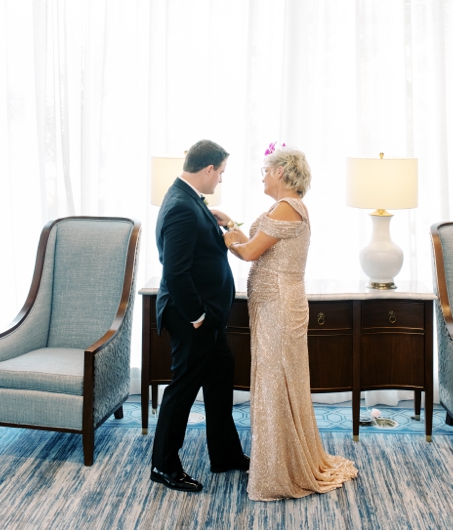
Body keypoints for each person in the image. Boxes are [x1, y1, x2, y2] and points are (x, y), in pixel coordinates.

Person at [223, 145, 358, 501]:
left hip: (279, 308)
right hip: (270, 306)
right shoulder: (279, 207)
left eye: (266, 171)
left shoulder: (289, 207)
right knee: (272, 383)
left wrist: (229, 237)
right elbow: (254, 246)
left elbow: (251, 252)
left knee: (276, 383)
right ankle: (278, 461)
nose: (263, 178)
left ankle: (281, 471)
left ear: (281, 172)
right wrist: (233, 229)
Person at [151, 139, 248, 493]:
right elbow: (175, 272)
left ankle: (225, 454)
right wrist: (196, 317)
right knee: (182, 390)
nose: (220, 179)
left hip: (208, 318)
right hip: (191, 318)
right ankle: (163, 465)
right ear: (208, 169)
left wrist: (225, 220)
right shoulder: (181, 205)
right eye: (220, 172)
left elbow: (202, 248)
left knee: (221, 378)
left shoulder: (190, 199)